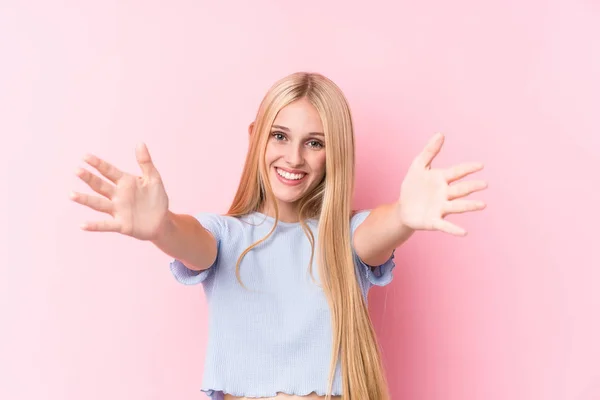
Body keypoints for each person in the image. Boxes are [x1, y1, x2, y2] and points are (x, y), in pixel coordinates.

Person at [69, 72, 488, 400]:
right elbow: (189, 239)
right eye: (280, 136)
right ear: (256, 137)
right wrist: (161, 227)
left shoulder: (345, 240)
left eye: (315, 143)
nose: (294, 157)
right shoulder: (225, 236)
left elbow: (378, 230)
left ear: (334, 153)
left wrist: (404, 217)